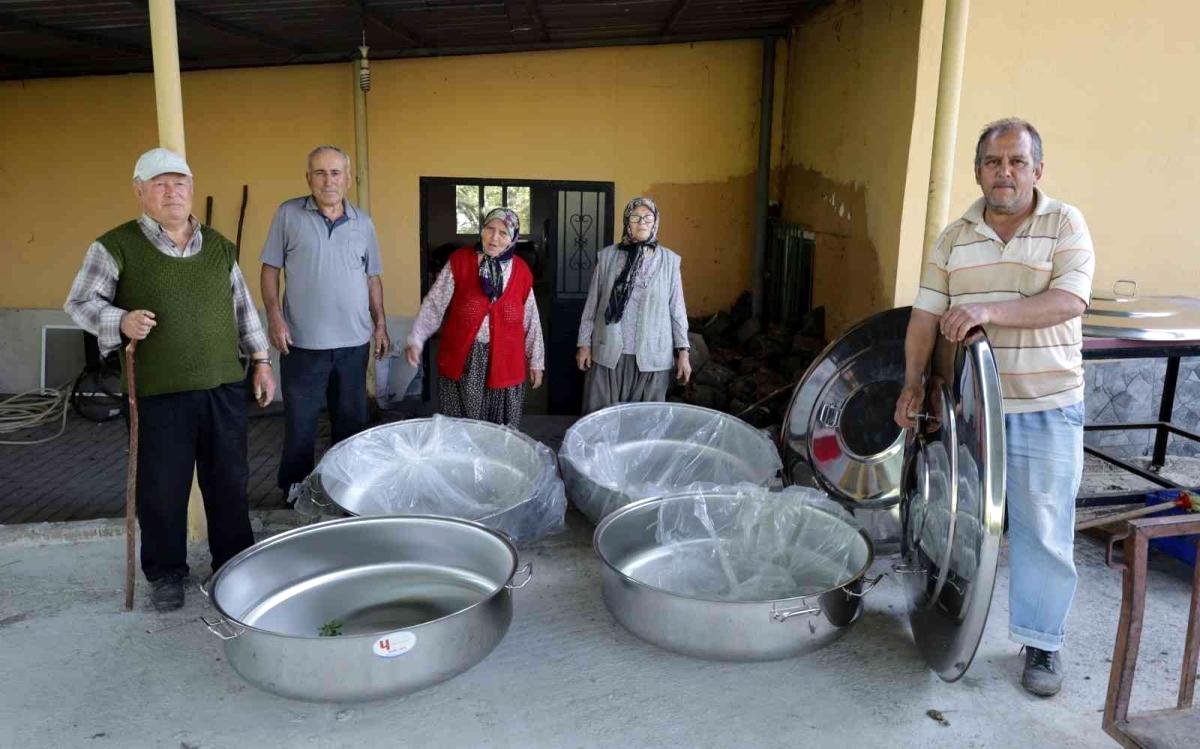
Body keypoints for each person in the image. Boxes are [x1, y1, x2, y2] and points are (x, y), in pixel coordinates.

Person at [894, 118, 1095, 697]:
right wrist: (913, 386)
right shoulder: (954, 237)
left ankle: (1041, 645)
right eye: (992, 162)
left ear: (1037, 170)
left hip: (1044, 405)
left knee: (1042, 528)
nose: (1004, 172)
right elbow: (925, 319)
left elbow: (1069, 299)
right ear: (978, 170)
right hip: (966, 414)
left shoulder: (1064, 223)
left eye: (1016, 162)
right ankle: (948, 618)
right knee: (953, 520)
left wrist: (988, 310)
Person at [64, 147, 275, 612]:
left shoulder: (219, 246)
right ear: (140, 192)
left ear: (192, 189)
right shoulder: (115, 245)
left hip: (221, 385)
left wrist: (261, 360)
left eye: (179, 183)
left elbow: (243, 308)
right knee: (162, 487)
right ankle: (165, 573)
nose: (172, 192)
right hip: (158, 392)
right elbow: (79, 303)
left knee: (228, 480)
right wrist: (119, 320)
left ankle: (234, 565)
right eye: (159, 184)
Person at [259, 145, 389, 498]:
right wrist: (274, 316)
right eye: (319, 173)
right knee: (300, 424)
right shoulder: (288, 214)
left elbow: (372, 277)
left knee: (350, 424)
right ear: (308, 178)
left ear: (348, 179)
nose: (328, 180)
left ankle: (345, 492)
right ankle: (294, 492)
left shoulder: (363, 222)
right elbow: (270, 269)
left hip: (353, 344)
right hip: (302, 344)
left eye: (335, 173)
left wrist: (380, 324)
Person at [405, 207, 544, 427]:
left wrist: (536, 361)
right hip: (464, 361)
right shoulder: (459, 261)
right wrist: (417, 338)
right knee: (463, 431)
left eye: (503, 233)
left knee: (500, 435)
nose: (494, 237)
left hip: (506, 363)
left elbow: (531, 319)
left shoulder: (522, 271)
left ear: (512, 238)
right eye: (490, 229)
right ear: (482, 230)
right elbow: (435, 303)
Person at [575, 197, 690, 413]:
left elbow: (677, 310)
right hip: (609, 353)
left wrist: (683, 353)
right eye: (635, 217)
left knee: (644, 424)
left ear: (655, 222)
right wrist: (584, 344)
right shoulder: (608, 256)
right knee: (601, 420)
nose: (642, 222)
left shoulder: (670, 261)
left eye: (648, 217)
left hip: (652, 357)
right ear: (627, 222)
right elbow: (592, 305)